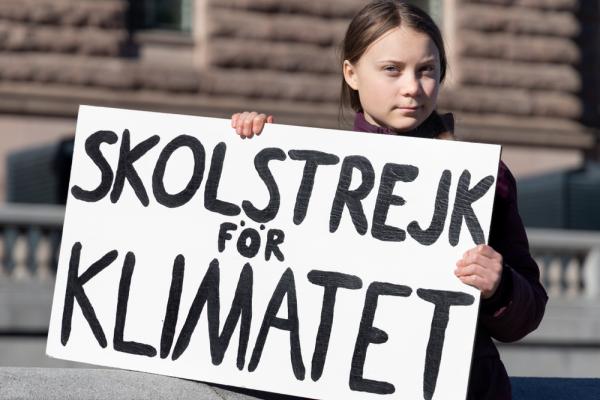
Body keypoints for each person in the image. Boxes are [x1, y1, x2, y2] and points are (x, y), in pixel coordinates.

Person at [230, 1, 547, 399]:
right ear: (352, 73)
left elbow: (527, 314)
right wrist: (247, 147)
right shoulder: (310, 170)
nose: (412, 87)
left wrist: (500, 287)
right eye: (392, 70)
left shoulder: (482, 180)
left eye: (427, 69)